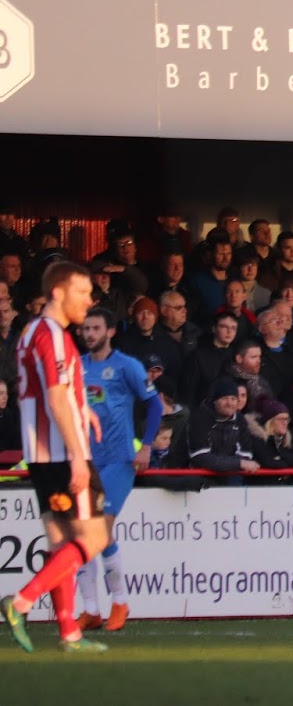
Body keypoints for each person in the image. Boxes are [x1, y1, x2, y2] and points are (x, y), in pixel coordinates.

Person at [3, 262, 114, 653]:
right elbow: (54, 397)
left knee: (59, 541)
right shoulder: (52, 335)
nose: (90, 300)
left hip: (39, 452)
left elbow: (46, 390)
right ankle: (21, 601)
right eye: (83, 292)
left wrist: (82, 406)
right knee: (96, 535)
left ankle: (69, 632)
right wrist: (80, 459)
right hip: (63, 453)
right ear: (59, 292)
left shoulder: (29, 333)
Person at [73, 306, 161, 633]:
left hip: (119, 459)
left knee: (98, 529)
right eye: (86, 329)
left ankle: (120, 601)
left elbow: (153, 404)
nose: (89, 334)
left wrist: (147, 445)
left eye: (95, 328)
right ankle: (92, 610)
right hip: (86, 461)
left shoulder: (127, 366)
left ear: (110, 331)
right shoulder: (77, 368)